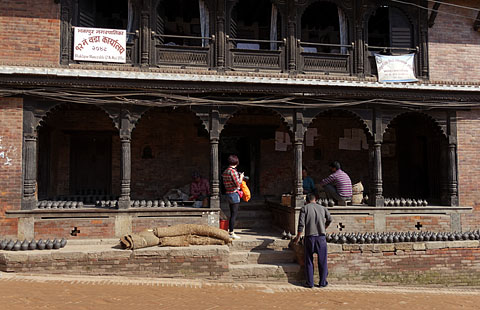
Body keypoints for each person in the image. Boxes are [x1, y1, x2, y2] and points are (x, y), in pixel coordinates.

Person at [293, 193, 332, 288]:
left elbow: (301, 225)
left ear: (306, 201)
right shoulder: (323, 208)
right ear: (316, 199)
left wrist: (297, 238)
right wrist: (324, 227)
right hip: (321, 238)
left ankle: (310, 283)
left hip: (309, 238)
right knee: (322, 261)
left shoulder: (304, 208)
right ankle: (322, 282)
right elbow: (330, 219)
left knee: (309, 261)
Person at [222, 155, 244, 240]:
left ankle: (230, 230)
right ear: (236, 162)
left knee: (232, 213)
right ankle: (231, 232)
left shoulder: (225, 171)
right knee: (234, 214)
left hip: (228, 193)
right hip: (234, 193)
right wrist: (241, 177)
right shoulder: (233, 171)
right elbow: (237, 184)